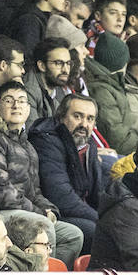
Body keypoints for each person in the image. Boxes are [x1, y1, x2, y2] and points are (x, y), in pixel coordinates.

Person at [0, 80, 85, 267]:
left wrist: (50, 209)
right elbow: (2, 192)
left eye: (21, 101)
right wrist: (41, 212)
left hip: (24, 212)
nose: (16, 105)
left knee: (73, 235)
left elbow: (34, 191)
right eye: (9, 101)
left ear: (28, 109)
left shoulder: (27, 145)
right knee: (45, 227)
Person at [29, 94, 105, 251]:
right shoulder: (47, 141)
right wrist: (101, 219)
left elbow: (98, 193)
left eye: (90, 119)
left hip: (78, 211)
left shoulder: (88, 144)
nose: (84, 124)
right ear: (61, 117)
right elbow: (61, 198)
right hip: (54, 212)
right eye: (77, 116)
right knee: (96, 231)